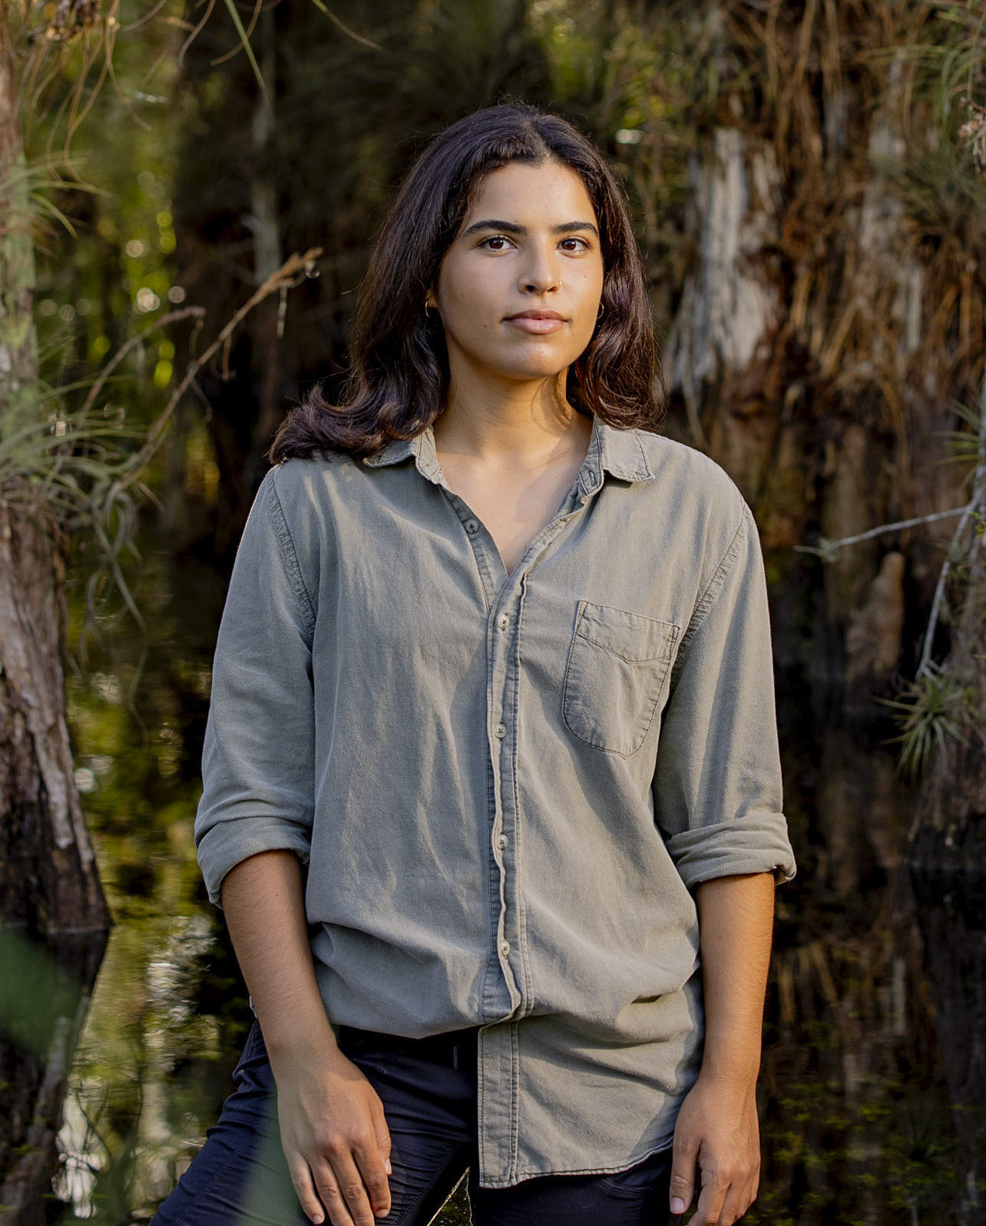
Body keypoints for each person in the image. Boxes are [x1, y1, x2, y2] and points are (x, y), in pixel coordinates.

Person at [151, 101, 797, 1226]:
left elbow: (728, 824)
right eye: (495, 240)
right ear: (429, 273)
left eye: (572, 243)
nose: (537, 275)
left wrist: (728, 1083)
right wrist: (304, 1060)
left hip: (611, 1079)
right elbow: (251, 805)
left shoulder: (690, 513)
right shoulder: (315, 504)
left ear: (606, 280)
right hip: (364, 1043)